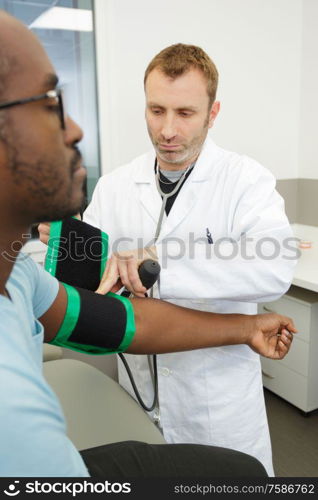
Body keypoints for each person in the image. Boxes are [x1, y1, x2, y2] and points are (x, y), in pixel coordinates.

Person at [0, 11, 296, 478]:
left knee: (236, 479)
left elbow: (276, 263)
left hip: (214, 399)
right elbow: (91, 281)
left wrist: (161, 261)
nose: (168, 130)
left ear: (212, 113)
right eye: (156, 110)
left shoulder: (245, 180)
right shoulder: (117, 185)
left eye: (184, 113)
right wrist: (66, 242)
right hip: (139, 386)